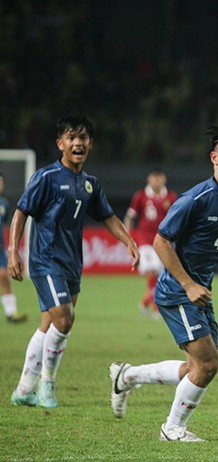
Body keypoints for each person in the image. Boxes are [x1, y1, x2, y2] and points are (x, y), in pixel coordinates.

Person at [108, 123, 218, 443]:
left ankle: (128, 376)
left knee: (194, 368)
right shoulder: (196, 198)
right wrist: (187, 284)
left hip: (202, 293)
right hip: (178, 290)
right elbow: (161, 241)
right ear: (215, 157)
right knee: (208, 363)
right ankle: (172, 429)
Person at [9, 114, 140, 408]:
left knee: (49, 325)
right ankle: (47, 384)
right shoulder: (46, 177)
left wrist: (128, 241)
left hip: (71, 264)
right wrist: (13, 251)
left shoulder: (90, 184)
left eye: (83, 138)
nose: (78, 143)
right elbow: (21, 211)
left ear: (90, 144)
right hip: (46, 261)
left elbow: (107, 216)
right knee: (65, 320)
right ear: (60, 144)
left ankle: (23, 389)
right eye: (71, 138)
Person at [123, 168, 178, 318]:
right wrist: (128, 239)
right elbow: (129, 217)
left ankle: (146, 302)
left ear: (164, 180)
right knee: (153, 269)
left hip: (163, 240)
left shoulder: (171, 197)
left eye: (159, 178)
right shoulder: (140, 196)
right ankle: (156, 306)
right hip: (145, 239)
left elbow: (176, 217)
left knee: (161, 273)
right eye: (154, 178)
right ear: (149, 180)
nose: (157, 181)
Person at [0, 172, 27, 323]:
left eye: (1, 182)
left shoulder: (4, 204)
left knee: (5, 278)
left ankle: (11, 313)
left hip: (0, 249)